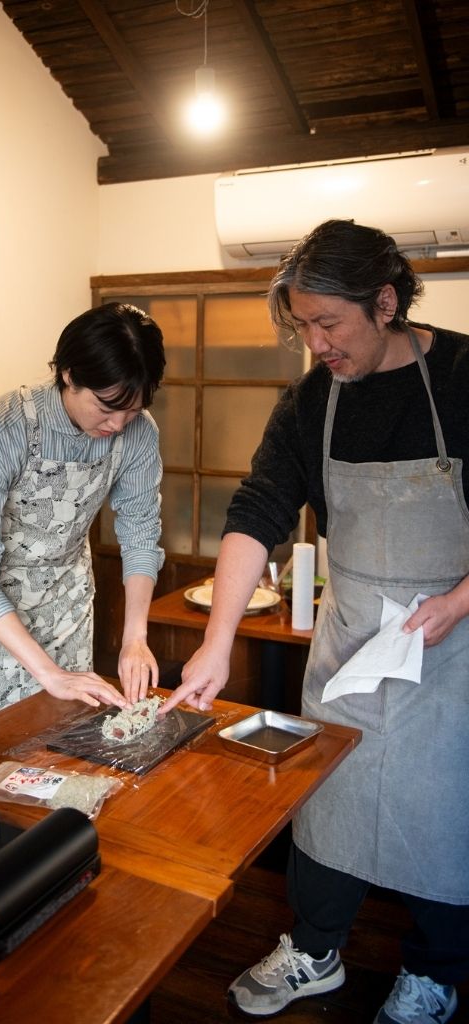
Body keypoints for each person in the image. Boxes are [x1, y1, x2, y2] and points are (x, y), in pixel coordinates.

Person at [161, 220, 469, 1023]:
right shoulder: (310, 402)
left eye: (329, 323)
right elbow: (257, 511)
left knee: (446, 810)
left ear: (386, 303)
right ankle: (315, 949)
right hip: (355, 634)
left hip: (455, 636)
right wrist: (216, 644)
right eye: (303, 325)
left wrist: (458, 602)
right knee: (329, 795)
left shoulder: (464, 377)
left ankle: (434, 972)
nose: (316, 343)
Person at [0, 301, 165, 724]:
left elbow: (140, 534)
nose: (118, 425)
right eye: (106, 407)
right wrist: (49, 673)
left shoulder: (138, 434)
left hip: (64, 601)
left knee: (68, 731)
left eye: (132, 410)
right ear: (69, 374)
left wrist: (135, 637)